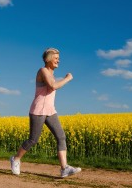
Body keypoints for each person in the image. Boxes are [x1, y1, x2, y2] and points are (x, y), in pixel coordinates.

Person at [10, 48, 81, 178]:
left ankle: (64, 168)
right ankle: (15, 159)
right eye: (55, 57)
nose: (58, 60)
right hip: (38, 110)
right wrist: (67, 78)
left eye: (58, 58)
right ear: (48, 59)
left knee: (61, 136)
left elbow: (53, 84)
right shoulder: (42, 71)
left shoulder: (51, 74)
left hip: (50, 110)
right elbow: (53, 86)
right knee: (33, 140)